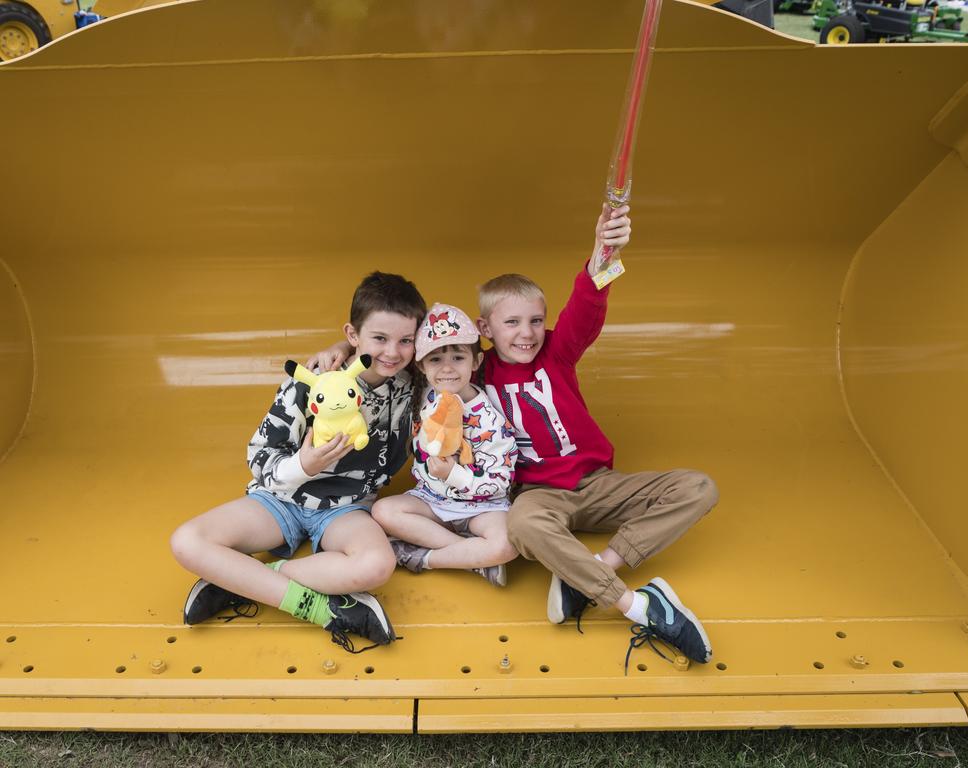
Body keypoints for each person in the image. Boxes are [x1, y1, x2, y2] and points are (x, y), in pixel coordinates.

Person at [475, 204, 719, 670]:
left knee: (699, 487)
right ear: (485, 329)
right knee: (522, 526)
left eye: (534, 320)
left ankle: (594, 570)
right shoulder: (477, 372)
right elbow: (426, 351)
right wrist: (347, 347)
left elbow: (586, 304)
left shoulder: (558, 353)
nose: (526, 334)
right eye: (511, 323)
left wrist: (604, 248)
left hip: (595, 485)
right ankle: (638, 604)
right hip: (540, 494)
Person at [169, 272, 426, 651]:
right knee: (187, 541)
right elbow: (260, 454)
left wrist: (348, 344)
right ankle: (320, 609)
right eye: (380, 338)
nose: (393, 352)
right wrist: (303, 464)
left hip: (347, 509)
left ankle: (245, 580)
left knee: (377, 565)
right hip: (280, 499)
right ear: (354, 335)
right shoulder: (312, 382)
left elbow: (458, 347)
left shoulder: (413, 383)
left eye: (406, 340)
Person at [371, 303, 519, 587]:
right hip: (432, 500)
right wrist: (340, 347)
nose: (447, 368)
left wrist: (454, 474)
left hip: (482, 508)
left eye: (458, 357)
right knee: (382, 512)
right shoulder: (425, 393)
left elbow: (501, 481)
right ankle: (472, 560)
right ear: (421, 365)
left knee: (507, 544)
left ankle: (424, 558)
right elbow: (382, 353)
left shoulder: (490, 417)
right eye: (436, 359)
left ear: (475, 362)